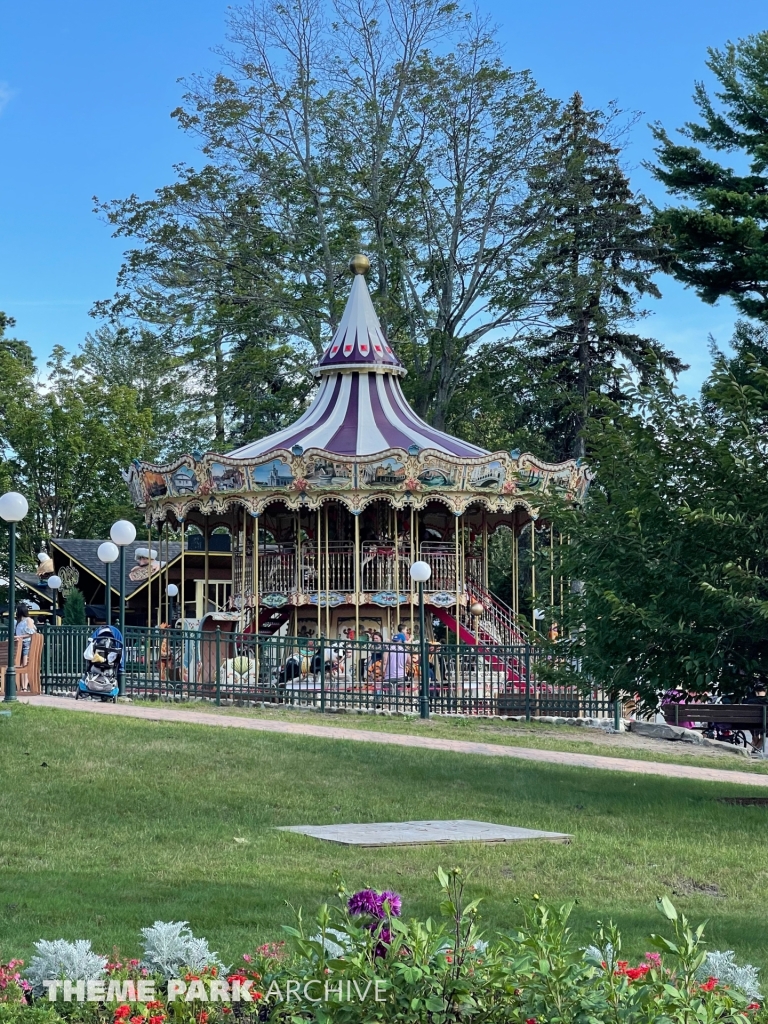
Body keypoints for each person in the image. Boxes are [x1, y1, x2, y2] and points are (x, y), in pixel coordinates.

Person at [15, 604, 37, 692]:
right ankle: (21, 686)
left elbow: (32, 634)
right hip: (19, 643)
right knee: (19, 665)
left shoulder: (28, 620)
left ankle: (24, 687)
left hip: (26, 643)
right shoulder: (18, 621)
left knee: (25, 665)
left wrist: (20, 637)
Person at [746, 682, 768, 753]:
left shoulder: (749, 701)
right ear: (765, 691)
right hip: (765, 724)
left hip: (752, 724)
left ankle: (755, 747)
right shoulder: (766, 701)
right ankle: (757, 748)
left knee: (754, 729)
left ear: (755, 692)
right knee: (764, 731)